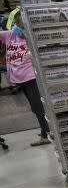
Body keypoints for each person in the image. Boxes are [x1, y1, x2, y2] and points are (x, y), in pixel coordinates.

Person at [1, 9, 50, 146]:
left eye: (24, 27)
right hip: (18, 77)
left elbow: (44, 52)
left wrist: (32, 39)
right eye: (19, 25)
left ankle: (46, 135)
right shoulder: (9, 35)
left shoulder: (32, 38)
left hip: (31, 77)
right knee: (34, 107)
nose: (21, 29)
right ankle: (45, 128)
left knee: (38, 107)